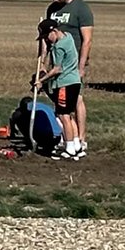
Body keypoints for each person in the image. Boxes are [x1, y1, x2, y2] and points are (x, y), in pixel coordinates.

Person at [45, 0, 93, 149]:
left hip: (73, 63)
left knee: (77, 100)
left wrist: (81, 67)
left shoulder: (81, 8)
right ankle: (66, 136)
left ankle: (81, 138)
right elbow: (46, 33)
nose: (54, 0)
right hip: (57, 61)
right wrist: (44, 60)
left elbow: (87, 40)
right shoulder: (52, 9)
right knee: (60, 101)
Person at [34, 18, 84, 160]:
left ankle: (69, 148)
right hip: (75, 82)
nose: (47, 40)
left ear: (54, 31)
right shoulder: (68, 37)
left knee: (63, 116)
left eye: (47, 36)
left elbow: (57, 69)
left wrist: (40, 81)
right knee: (68, 114)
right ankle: (76, 146)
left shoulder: (59, 46)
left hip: (65, 83)